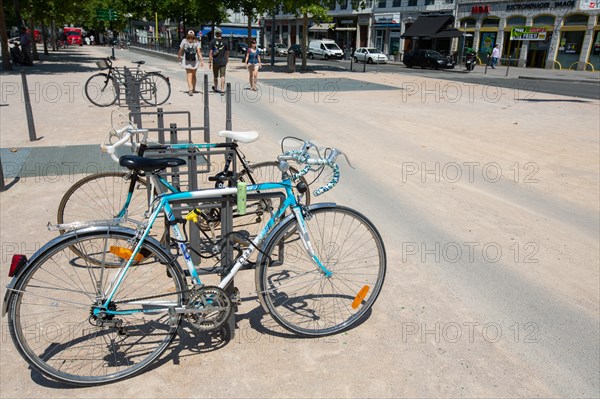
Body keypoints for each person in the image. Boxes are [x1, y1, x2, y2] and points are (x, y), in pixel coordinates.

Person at [178, 30, 204, 96]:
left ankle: (190, 89)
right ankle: (194, 89)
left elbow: (180, 50)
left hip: (186, 60)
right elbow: (199, 52)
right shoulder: (197, 42)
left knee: (189, 74)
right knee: (194, 75)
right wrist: (201, 60)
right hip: (194, 61)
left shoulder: (184, 41)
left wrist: (179, 57)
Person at [209, 29, 229, 94]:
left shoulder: (212, 42)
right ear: (221, 34)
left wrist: (209, 61)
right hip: (223, 61)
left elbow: (211, 52)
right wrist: (227, 59)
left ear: (215, 34)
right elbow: (227, 52)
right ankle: (222, 90)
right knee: (222, 76)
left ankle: (215, 87)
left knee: (215, 76)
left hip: (215, 61)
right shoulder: (225, 42)